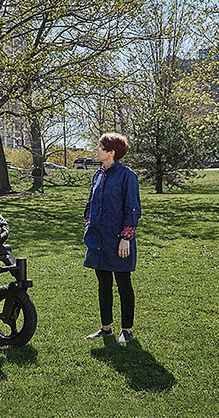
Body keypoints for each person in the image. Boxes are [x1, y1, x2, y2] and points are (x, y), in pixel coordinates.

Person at [83, 133, 141, 344]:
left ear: (112, 152)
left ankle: (126, 330)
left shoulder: (127, 176)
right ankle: (106, 327)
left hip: (118, 241)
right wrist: (89, 223)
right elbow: (90, 203)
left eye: (100, 146)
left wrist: (126, 238)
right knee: (103, 284)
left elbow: (133, 209)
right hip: (98, 240)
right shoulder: (98, 175)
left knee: (123, 284)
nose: (97, 149)